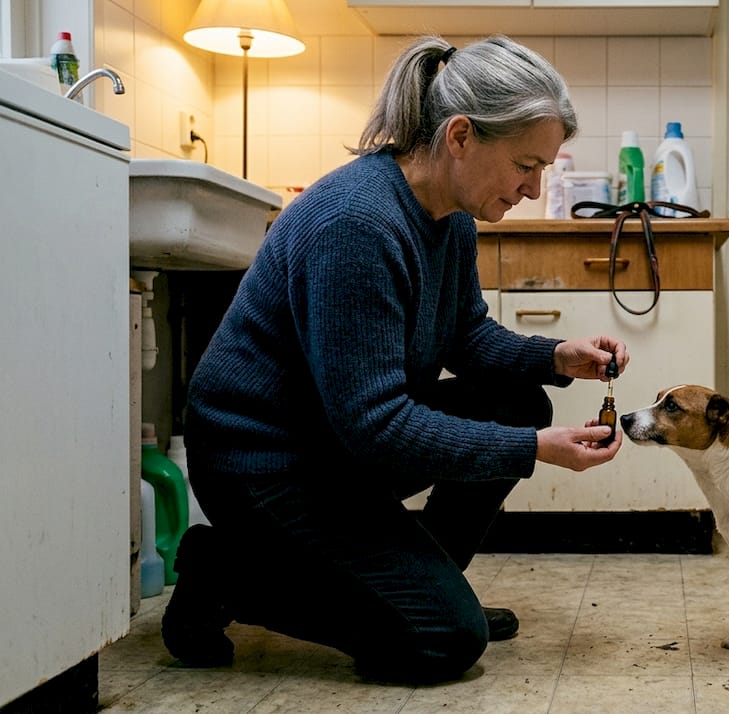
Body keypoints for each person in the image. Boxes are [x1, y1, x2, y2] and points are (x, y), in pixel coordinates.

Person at [160, 34, 628, 684]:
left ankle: (420, 586)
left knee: (518, 398)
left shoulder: (453, 215)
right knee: (442, 640)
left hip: (334, 446)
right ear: (460, 137)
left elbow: (467, 338)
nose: (533, 186)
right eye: (527, 163)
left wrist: (557, 356)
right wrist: (533, 449)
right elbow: (376, 426)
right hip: (264, 466)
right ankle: (226, 575)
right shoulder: (357, 224)